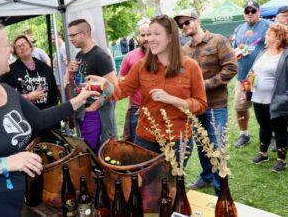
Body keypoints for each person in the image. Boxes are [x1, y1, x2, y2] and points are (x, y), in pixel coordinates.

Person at [0, 20, 97, 216]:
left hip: (13, 201)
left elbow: (39, 119)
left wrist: (79, 99)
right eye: (6, 45)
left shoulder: (5, 91)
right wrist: (7, 163)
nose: (11, 51)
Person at [86, 15, 207, 164]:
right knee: (147, 184)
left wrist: (172, 100)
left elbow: (201, 104)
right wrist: (106, 85)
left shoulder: (190, 67)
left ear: (170, 37)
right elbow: (121, 91)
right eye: (149, 34)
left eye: (156, 34)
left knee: (173, 185)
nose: (150, 39)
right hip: (146, 139)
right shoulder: (141, 66)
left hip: (177, 140)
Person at [174, 10, 237, 194]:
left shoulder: (218, 40)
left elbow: (231, 67)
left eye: (187, 22)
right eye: (181, 25)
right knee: (202, 145)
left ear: (197, 20)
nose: (184, 26)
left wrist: (204, 85)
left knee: (217, 148)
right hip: (194, 107)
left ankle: (221, 191)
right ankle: (207, 177)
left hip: (215, 105)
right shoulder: (184, 50)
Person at [67, 19, 118, 153]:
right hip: (84, 112)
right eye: (69, 36)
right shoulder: (79, 55)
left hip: (98, 113)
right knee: (88, 151)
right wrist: (71, 73)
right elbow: (78, 85)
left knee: (102, 152)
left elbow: (114, 87)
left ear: (84, 34)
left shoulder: (100, 56)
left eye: (73, 35)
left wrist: (93, 107)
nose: (70, 39)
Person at [249, 24, 288, 173]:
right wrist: (248, 86)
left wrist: (287, 97)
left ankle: (281, 160)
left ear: (279, 37)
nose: (265, 37)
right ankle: (263, 154)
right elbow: (253, 71)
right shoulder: (262, 52)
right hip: (259, 98)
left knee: (280, 129)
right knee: (264, 126)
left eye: (268, 35)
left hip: (279, 102)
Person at [232, 0, 271, 148]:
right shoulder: (240, 28)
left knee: (267, 107)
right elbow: (236, 49)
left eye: (253, 11)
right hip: (243, 77)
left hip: (263, 77)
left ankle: (273, 134)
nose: (250, 13)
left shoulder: (268, 26)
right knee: (240, 107)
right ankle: (244, 134)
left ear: (259, 12)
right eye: (247, 11)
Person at [0, 35, 58, 110]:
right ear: (16, 52)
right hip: (26, 115)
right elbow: (5, 94)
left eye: (24, 44)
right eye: (18, 47)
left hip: (48, 112)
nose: (22, 47)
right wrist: (28, 97)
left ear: (30, 46)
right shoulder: (11, 70)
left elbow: (53, 92)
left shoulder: (45, 68)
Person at [118, 21, 150, 142]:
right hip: (136, 109)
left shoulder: (163, 55)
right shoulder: (130, 56)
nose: (146, 38)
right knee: (136, 145)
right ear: (138, 37)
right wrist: (134, 79)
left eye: (149, 34)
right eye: (143, 35)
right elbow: (120, 79)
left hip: (159, 109)